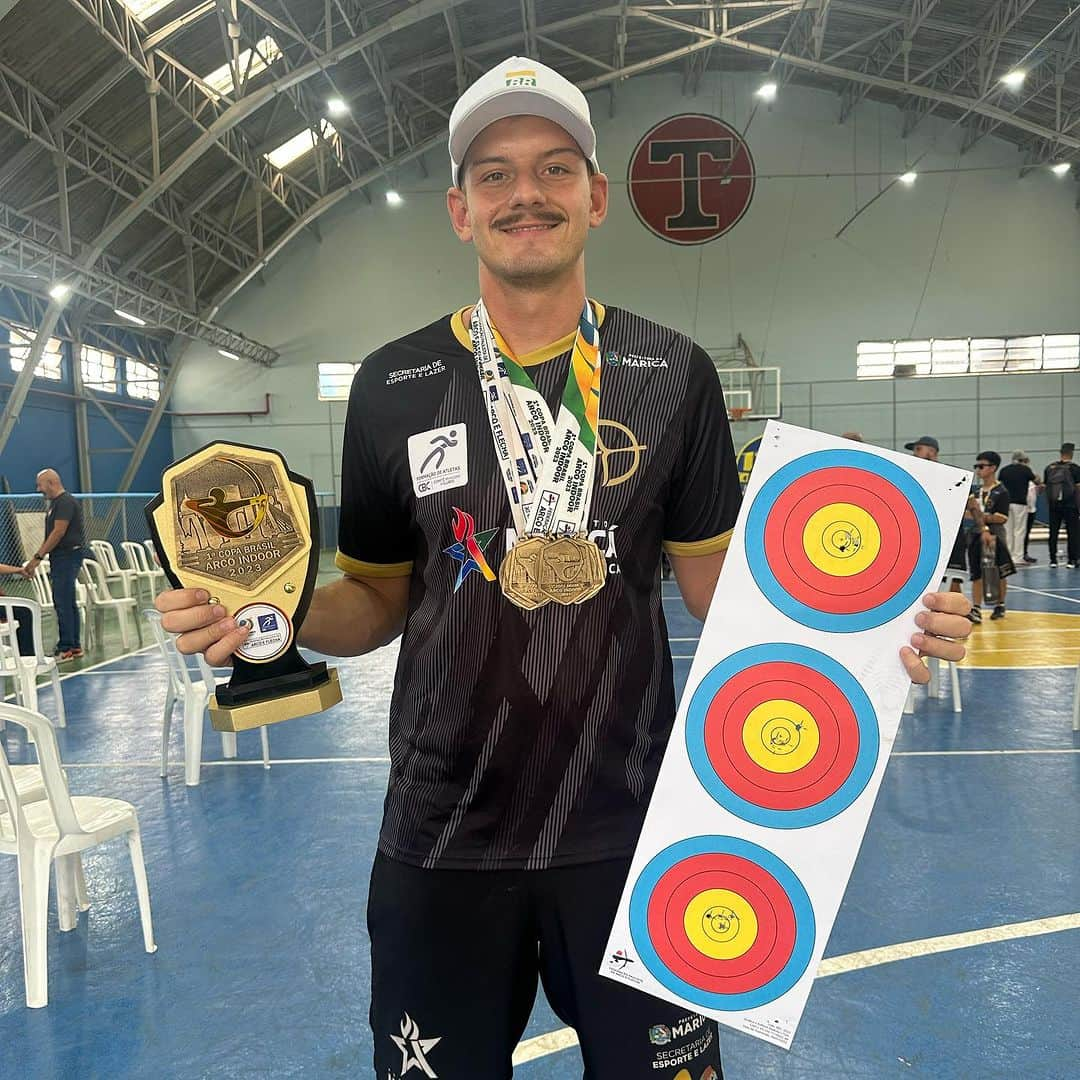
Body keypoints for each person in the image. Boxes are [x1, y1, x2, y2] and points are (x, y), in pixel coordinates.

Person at [158, 57, 972, 1078]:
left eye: (552, 169)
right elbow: (376, 595)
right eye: (494, 174)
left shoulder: (674, 371)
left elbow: (719, 588)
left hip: (639, 832)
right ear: (459, 209)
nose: (525, 194)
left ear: (596, 196)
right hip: (443, 826)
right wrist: (271, 616)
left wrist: (878, 621)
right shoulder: (392, 385)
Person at [26, 469, 87, 660]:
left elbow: (58, 532)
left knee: (62, 601)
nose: (38, 489)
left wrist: (38, 557)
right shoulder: (56, 504)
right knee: (66, 601)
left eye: (40, 484)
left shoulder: (65, 503)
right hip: (61, 557)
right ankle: (73, 645)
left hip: (67, 556)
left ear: (51, 483)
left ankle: (66, 647)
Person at [905, 436, 972, 598]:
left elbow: (969, 504)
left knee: (953, 576)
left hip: (950, 535)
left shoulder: (952, 476)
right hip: (925, 535)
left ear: (932, 452)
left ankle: (957, 612)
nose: (914, 454)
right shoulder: (912, 476)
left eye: (918, 449)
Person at [968, 451, 1015, 622]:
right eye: (976, 466)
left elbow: (1001, 517)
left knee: (999, 570)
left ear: (993, 468)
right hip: (976, 534)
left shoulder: (1001, 491)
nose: (978, 470)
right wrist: (980, 517)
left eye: (982, 466)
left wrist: (979, 515)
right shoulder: (975, 491)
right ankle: (976, 607)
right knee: (976, 572)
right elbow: (966, 513)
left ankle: (1000, 604)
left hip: (995, 535)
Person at [997, 451, 1038, 566]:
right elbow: (1037, 481)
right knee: (1019, 531)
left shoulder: (1004, 470)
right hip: (1020, 503)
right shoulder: (1025, 470)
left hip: (1006, 503)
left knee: (1008, 530)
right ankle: (1018, 557)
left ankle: (1008, 556)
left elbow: (999, 484)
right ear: (1023, 460)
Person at [1043, 442, 1080, 568]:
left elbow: (1045, 487)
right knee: (1072, 533)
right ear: (1072, 453)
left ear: (1060, 453)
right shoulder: (1075, 468)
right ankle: (1072, 560)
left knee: (1053, 532)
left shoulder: (1049, 468)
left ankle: (1053, 560)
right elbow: (1078, 489)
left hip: (1054, 505)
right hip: (1070, 505)